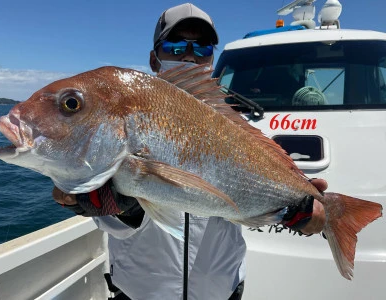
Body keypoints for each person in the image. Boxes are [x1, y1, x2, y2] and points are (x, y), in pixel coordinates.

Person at [53, 3, 326, 300]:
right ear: (154, 60)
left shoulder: (236, 126)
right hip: (139, 292)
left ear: (211, 60)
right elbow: (113, 225)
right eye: (175, 44)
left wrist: (296, 212)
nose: (188, 55)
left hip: (221, 291)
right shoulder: (127, 115)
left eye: (202, 48)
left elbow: (251, 203)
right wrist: (124, 208)